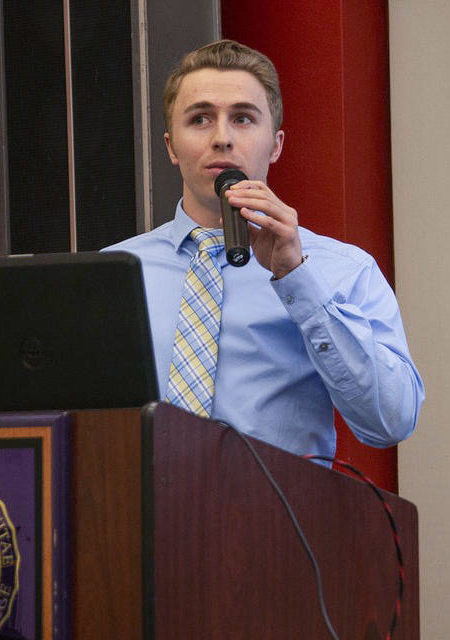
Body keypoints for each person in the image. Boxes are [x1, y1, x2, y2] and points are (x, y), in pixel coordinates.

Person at [104, 39, 424, 460]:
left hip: (273, 519)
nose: (222, 138)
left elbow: (392, 421)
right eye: (200, 119)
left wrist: (297, 279)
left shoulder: (343, 270)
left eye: (242, 118)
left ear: (275, 144)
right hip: (134, 516)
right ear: (170, 146)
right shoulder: (112, 273)